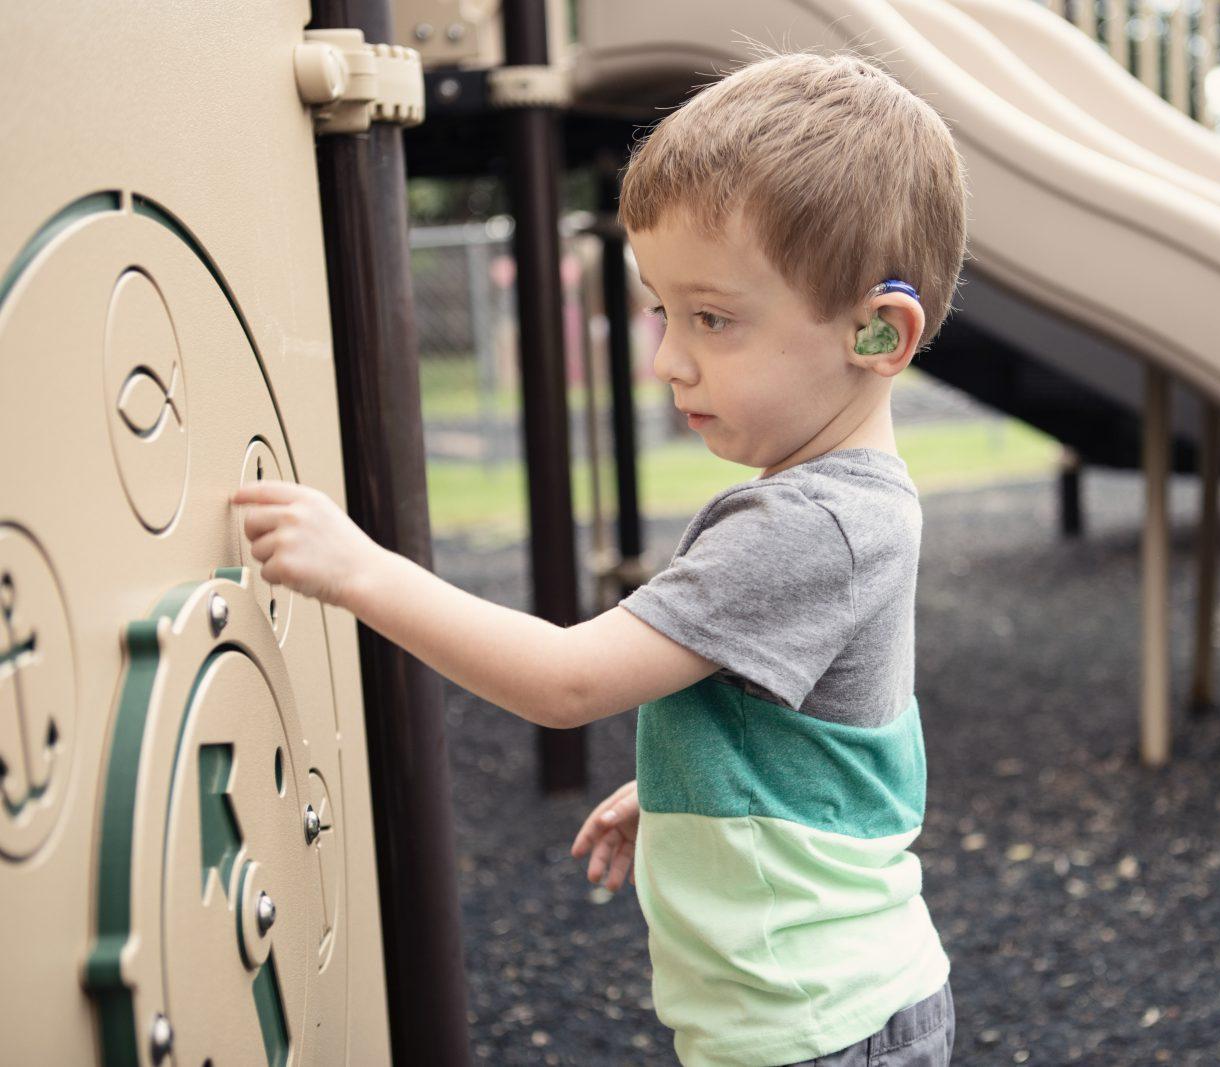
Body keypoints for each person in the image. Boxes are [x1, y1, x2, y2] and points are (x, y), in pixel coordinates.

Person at [232, 46, 970, 1067]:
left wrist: (357, 566)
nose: (667, 357)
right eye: (664, 309)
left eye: (711, 318)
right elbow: (825, 727)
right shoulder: (852, 505)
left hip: (818, 1027)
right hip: (828, 1008)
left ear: (876, 334)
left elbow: (567, 681)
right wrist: (681, 784)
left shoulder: (805, 526)